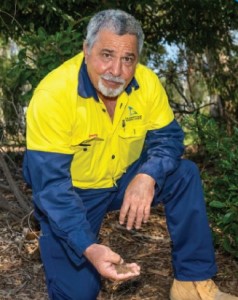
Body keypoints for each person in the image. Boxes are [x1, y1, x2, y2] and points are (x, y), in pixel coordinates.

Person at [23, 9, 238, 300]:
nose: (116, 71)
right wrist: (89, 247)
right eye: (106, 55)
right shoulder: (54, 96)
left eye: (128, 59)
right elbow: (51, 188)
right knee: (79, 292)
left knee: (183, 174)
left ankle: (192, 284)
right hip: (73, 195)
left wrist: (147, 175)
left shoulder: (146, 83)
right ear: (86, 50)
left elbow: (169, 138)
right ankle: (61, 248)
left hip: (123, 179)